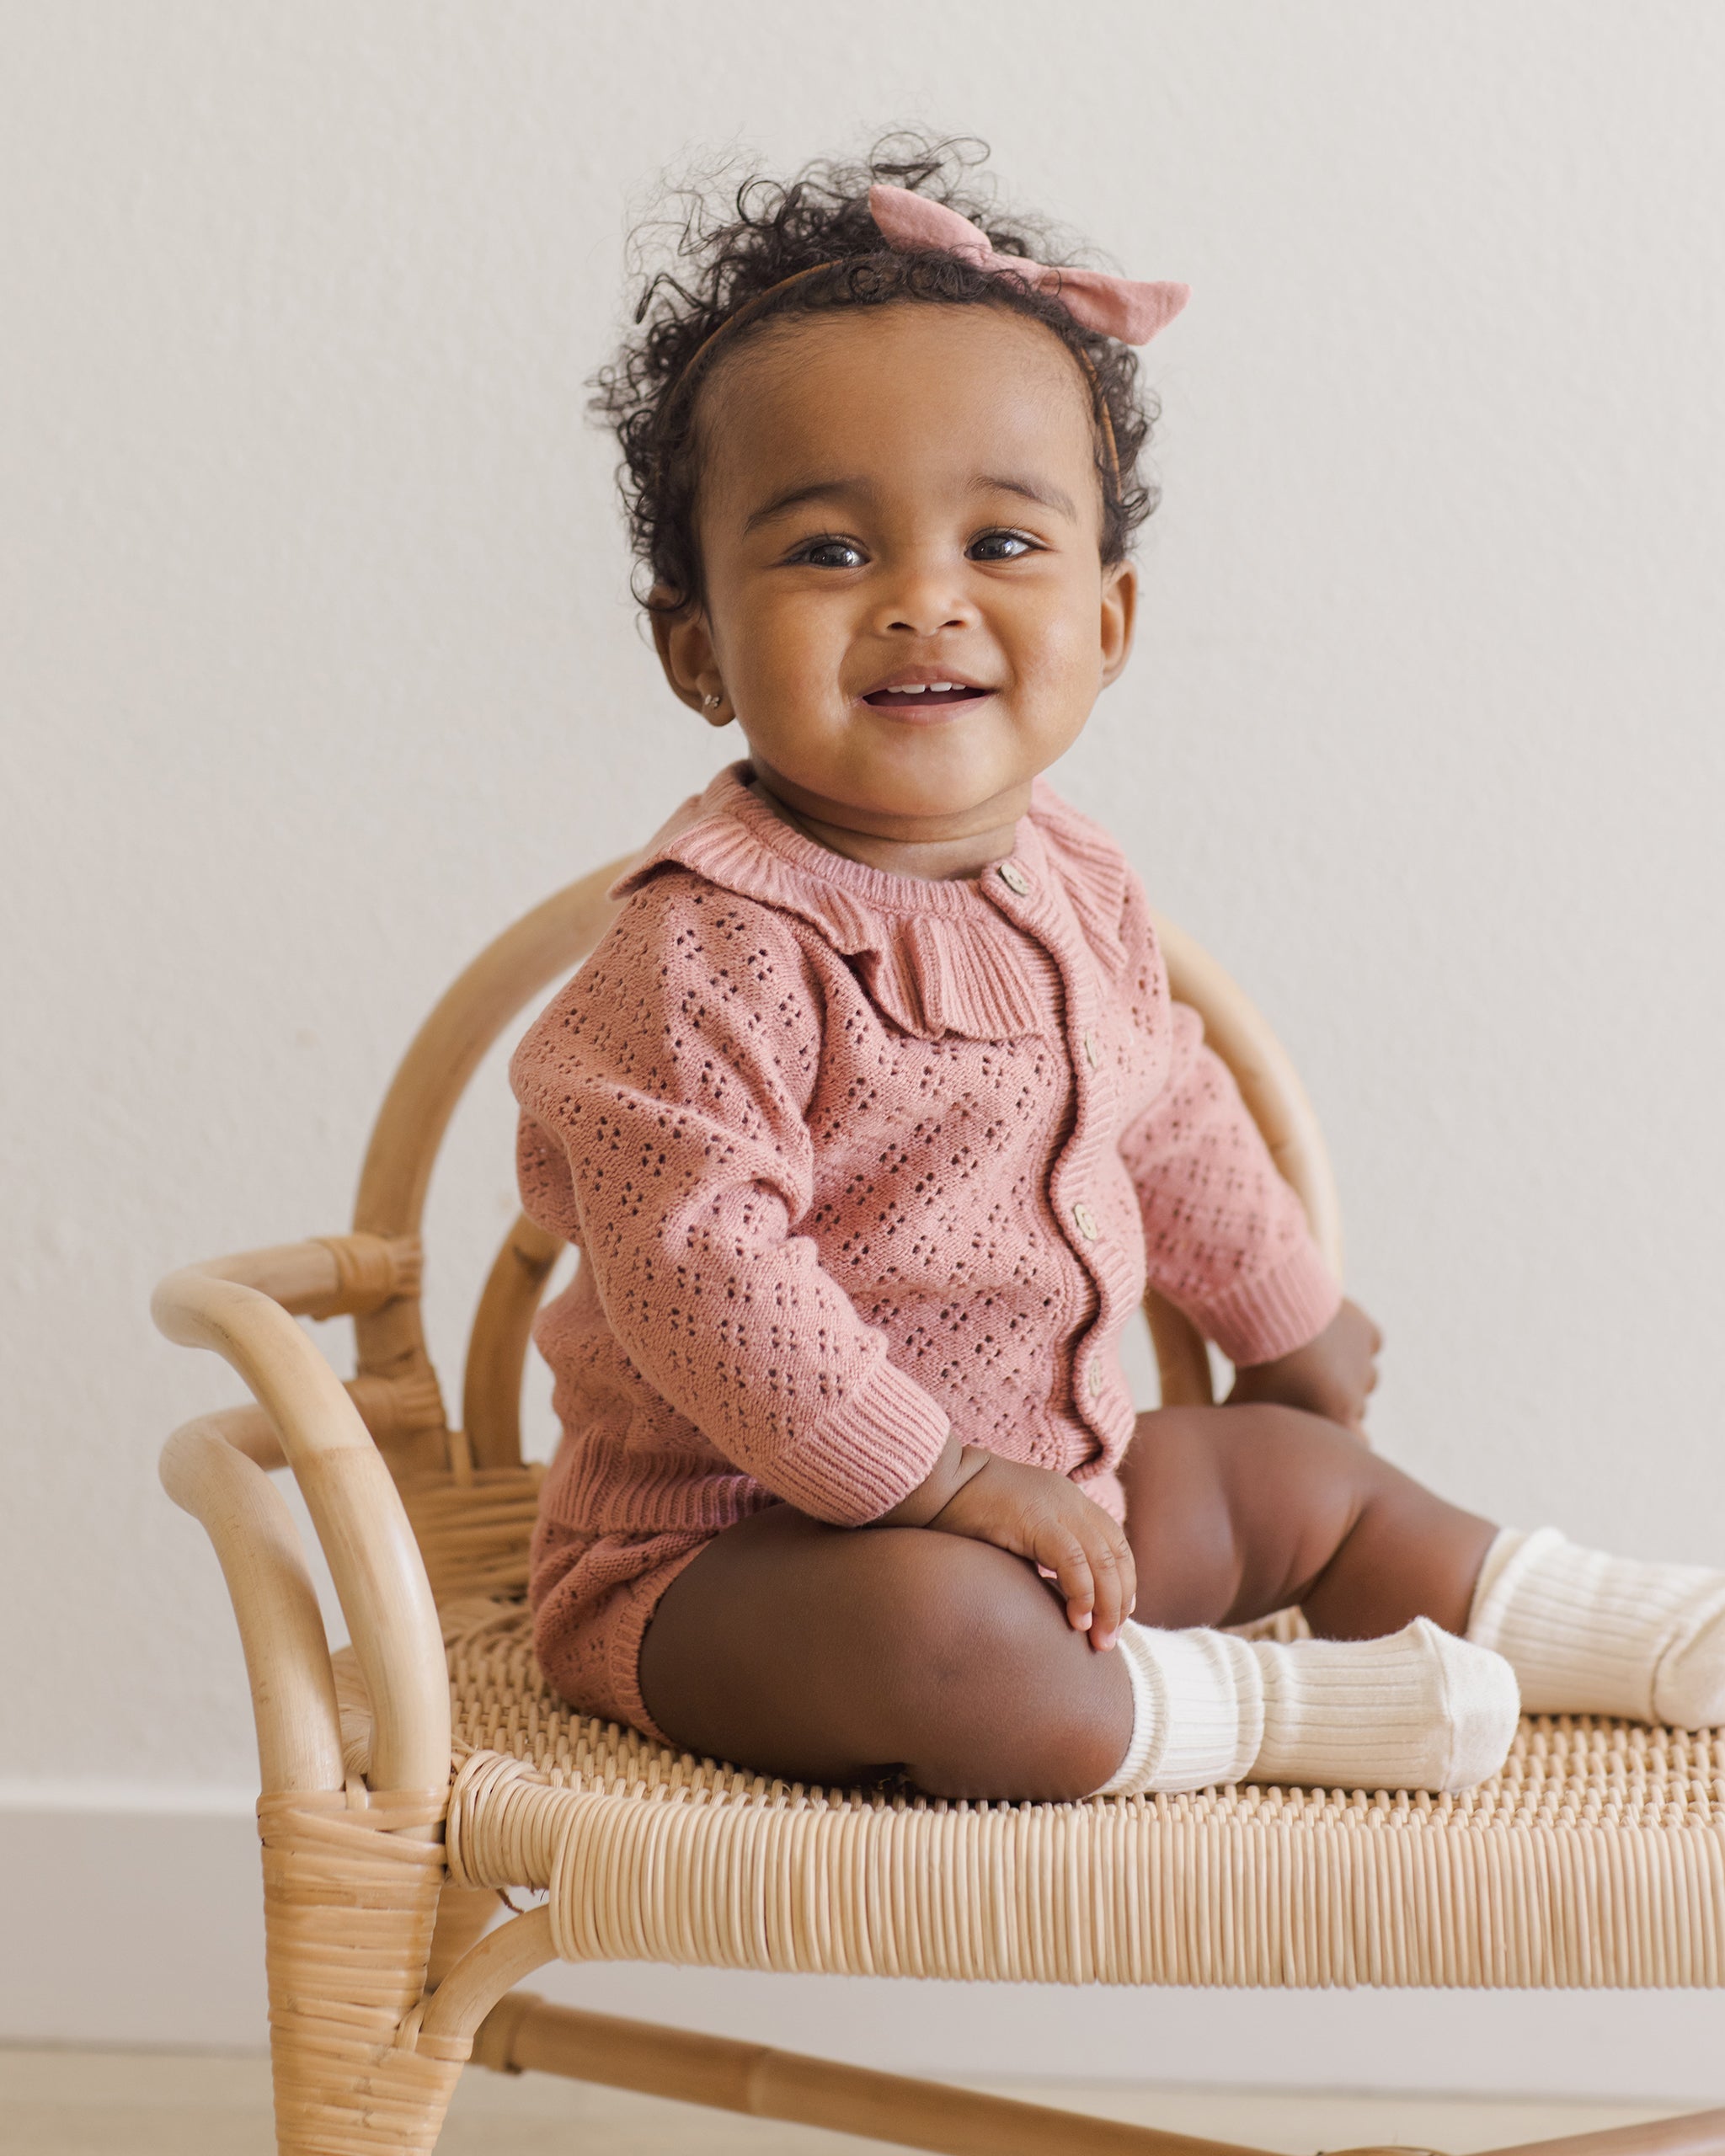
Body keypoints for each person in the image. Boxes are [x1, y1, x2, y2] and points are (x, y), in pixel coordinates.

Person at [510, 138, 1725, 1802]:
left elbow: (1162, 1100)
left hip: (1042, 1484)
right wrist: (936, 1481)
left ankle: (1623, 1629)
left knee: (1298, 1476)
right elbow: (701, 1266)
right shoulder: (703, 944)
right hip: (729, 1564)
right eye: (829, 553)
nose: (923, 602)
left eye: (1001, 543)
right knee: (945, 1628)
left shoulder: (1070, 877)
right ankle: (1258, 1710)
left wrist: (1286, 1318)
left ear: (1110, 617)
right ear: (696, 646)